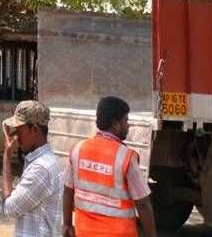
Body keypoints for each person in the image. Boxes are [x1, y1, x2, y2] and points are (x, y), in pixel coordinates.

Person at [63, 96, 156, 237]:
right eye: (126, 120)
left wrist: (68, 224)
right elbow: (143, 204)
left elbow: (67, 191)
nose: (128, 126)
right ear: (115, 124)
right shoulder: (126, 157)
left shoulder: (77, 150)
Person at [0, 100, 63, 237]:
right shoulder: (40, 160)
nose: (15, 136)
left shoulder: (41, 168)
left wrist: (6, 157)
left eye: (19, 130)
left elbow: (9, 209)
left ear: (34, 130)